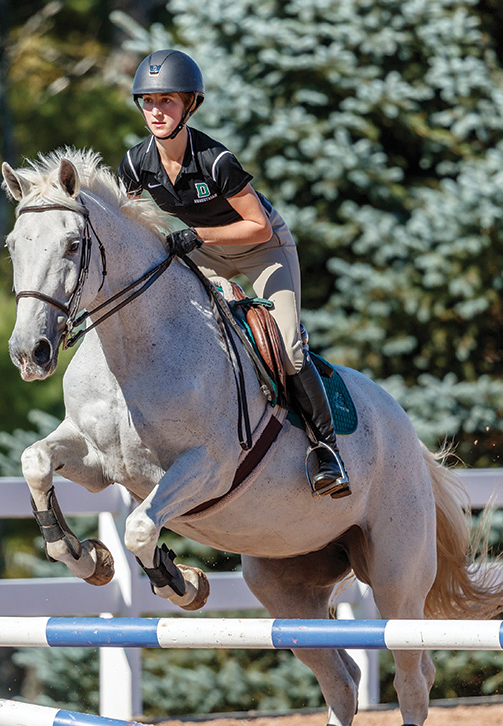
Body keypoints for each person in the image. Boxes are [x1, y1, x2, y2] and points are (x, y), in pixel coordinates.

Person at [118, 49, 350, 499]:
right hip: (204, 249)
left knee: (287, 349)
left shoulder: (215, 160)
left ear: (190, 105)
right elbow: (128, 222)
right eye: (148, 101)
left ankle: (327, 450)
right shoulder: (135, 163)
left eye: (167, 100)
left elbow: (257, 224)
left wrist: (196, 235)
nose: (157, 111)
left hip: (264, 252)